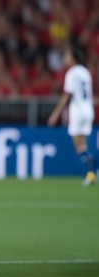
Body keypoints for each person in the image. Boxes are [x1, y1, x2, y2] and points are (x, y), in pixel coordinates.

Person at [48, 43, 96, 186]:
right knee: (84, 144)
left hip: (78, 111)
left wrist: (55, 113)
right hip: (88, 110)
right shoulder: (85, 72)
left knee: (79, 146)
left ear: (73, 57)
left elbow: (66, 95)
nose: (65, 57)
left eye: (67, 55)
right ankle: (91, 172)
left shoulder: (72, 73)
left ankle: (91, 172)